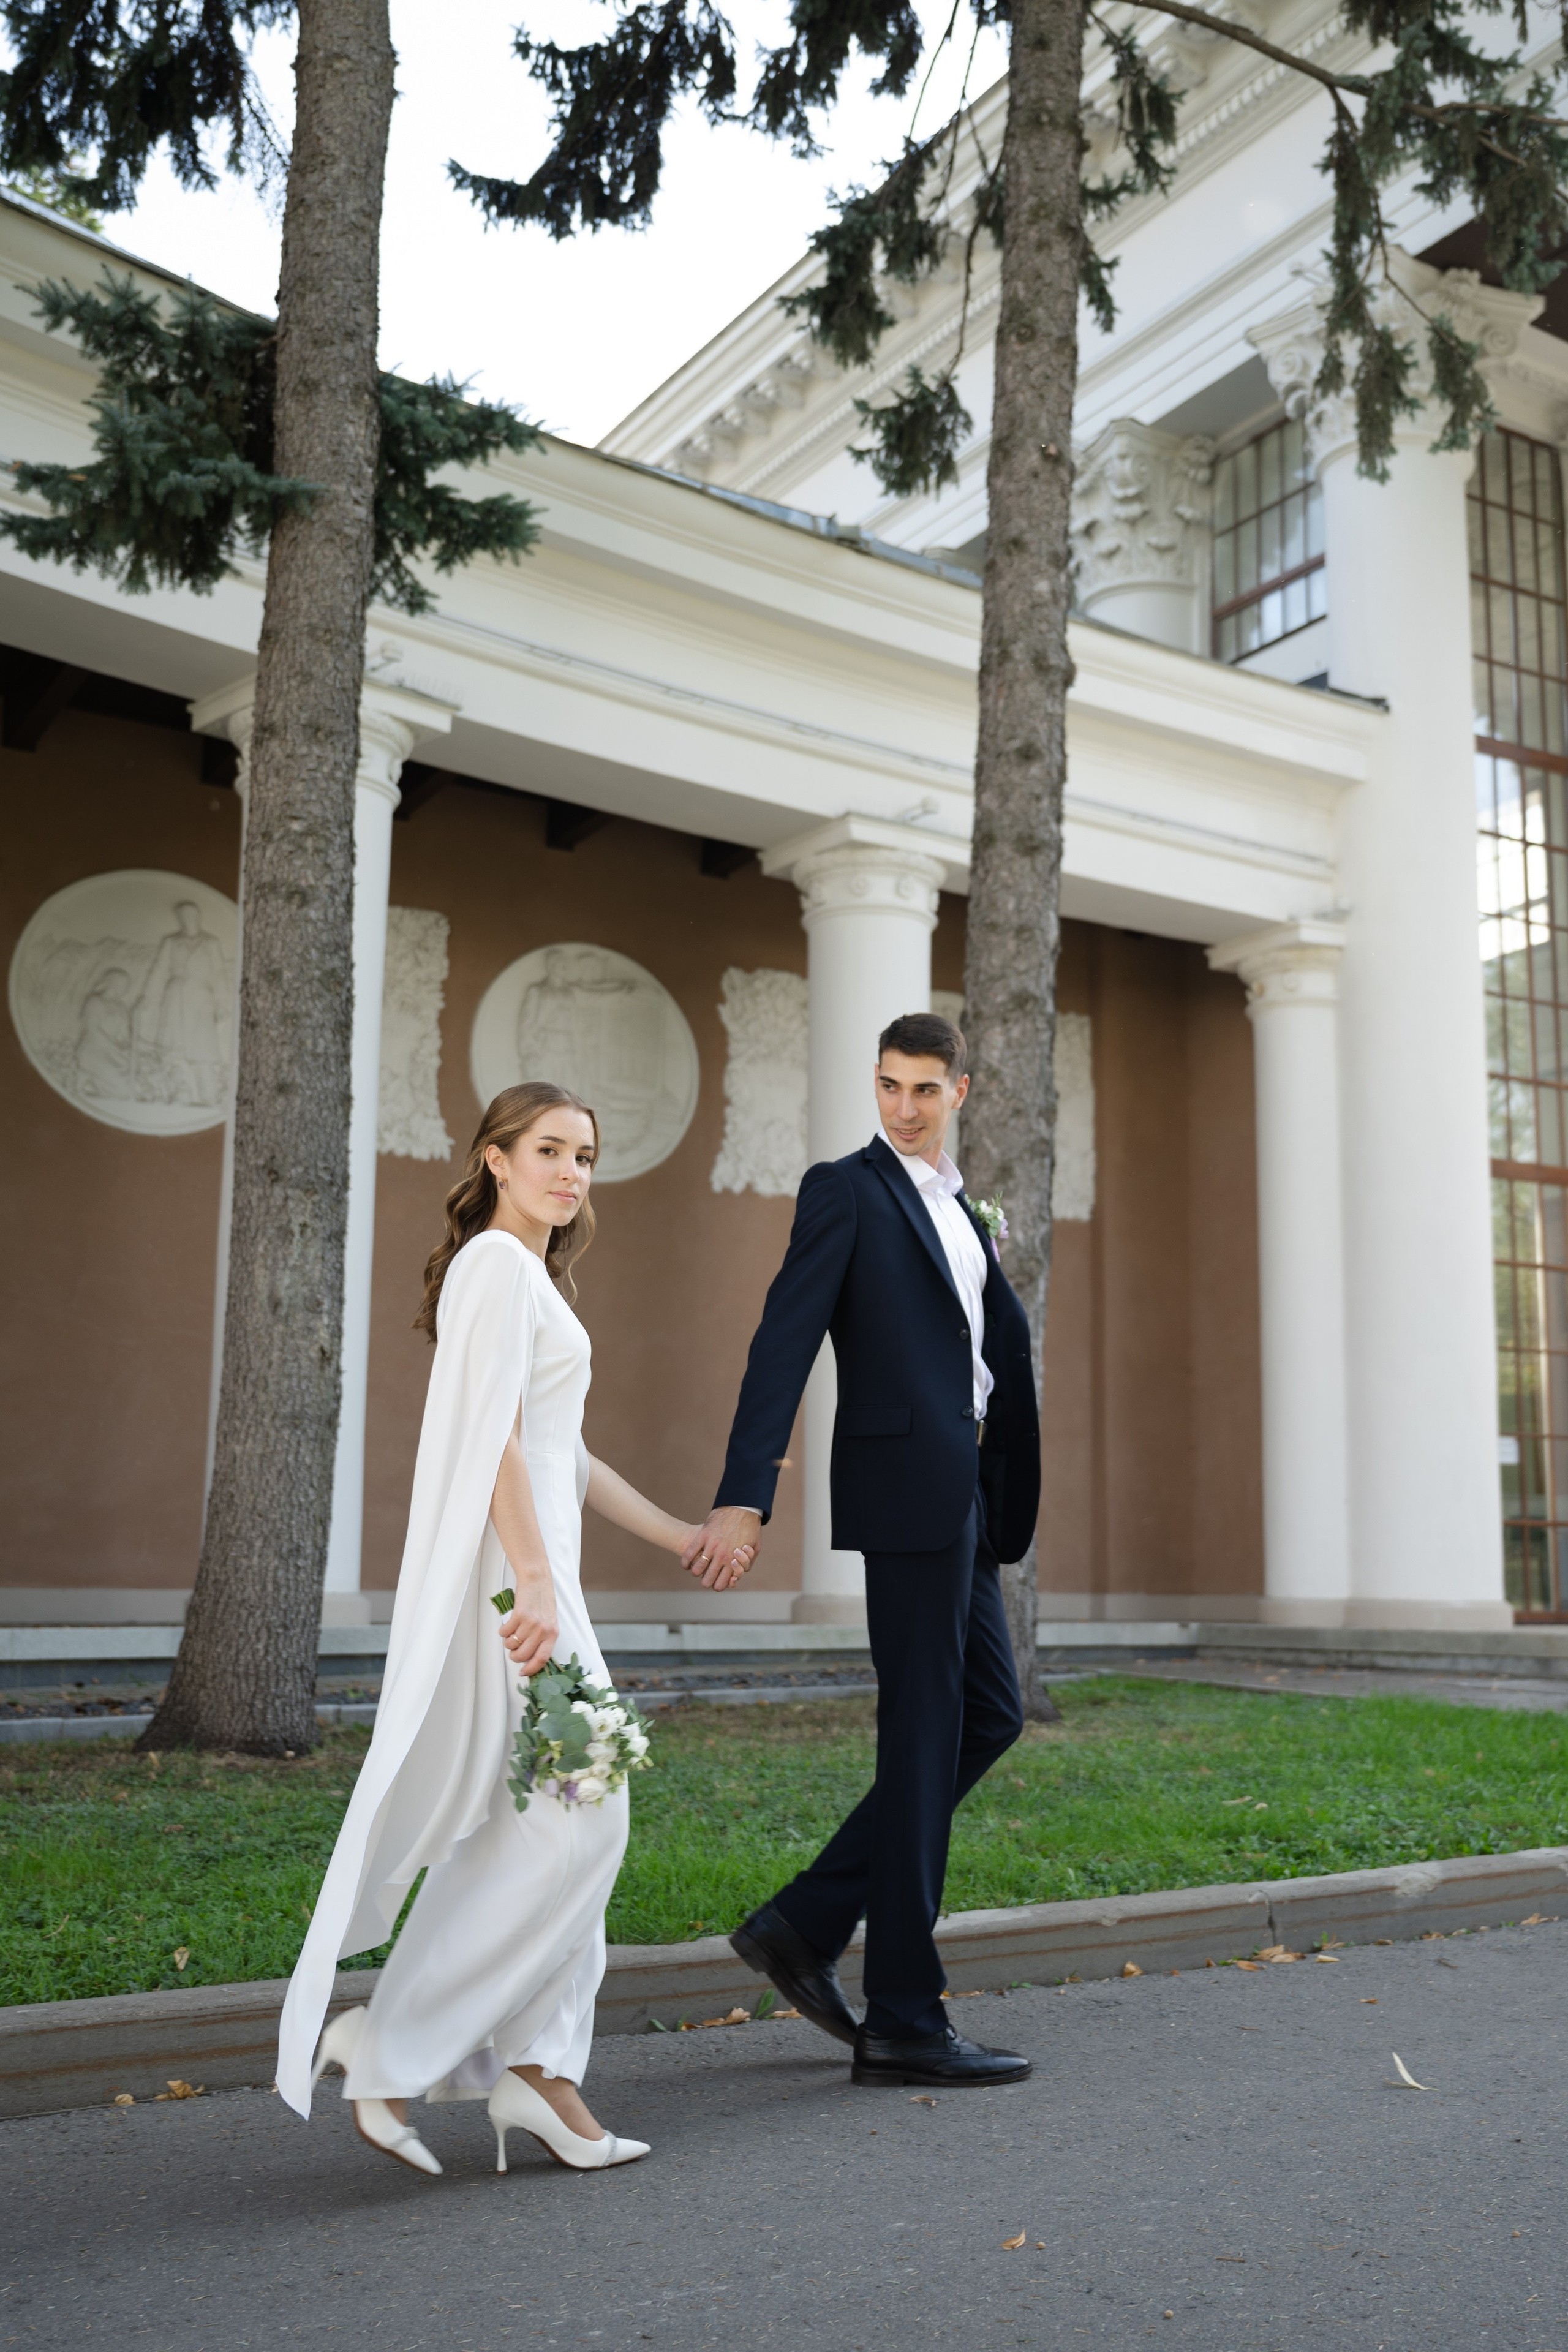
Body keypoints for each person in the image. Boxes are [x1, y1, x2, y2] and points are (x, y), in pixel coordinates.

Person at [276, 1081, 752, 2176]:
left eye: (585, 1154)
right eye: (549, 1150)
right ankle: (394, 2043)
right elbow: (490, 1440)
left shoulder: (530, 1278)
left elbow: (562, 1453)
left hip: (544, 1582)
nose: (571, 1172)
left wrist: (677, 1532)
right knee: (590, 1811)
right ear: (495, 1158)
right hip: (516, 1587)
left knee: (541, 1822)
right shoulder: (495, 1266)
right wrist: (533, 1579)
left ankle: (540, 2074)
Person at [682, 1012, 1041, 2092]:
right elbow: (781, 1343)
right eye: (889, 1087)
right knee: (930, 1731)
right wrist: (745, 1497)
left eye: (925, 1090)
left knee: (990, 1715)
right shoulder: (846, 1189)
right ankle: (902, 2018)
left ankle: (807, 1921)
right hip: (906, 1497)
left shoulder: (964, 1208)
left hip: (968, 1494)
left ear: (960, 1092)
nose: (903, 1108)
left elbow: (987, 1353)